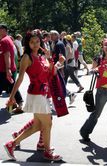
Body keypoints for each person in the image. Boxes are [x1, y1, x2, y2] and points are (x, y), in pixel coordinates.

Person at [3, 29, 62, 161]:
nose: (35, 44)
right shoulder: (27, 57)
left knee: (37, 125)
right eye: (32, 42)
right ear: (27, 43)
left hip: (44, 94)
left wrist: (50, 58)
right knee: (47, 124)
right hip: (36, 94)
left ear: (40, 42)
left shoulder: (41, 56)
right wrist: (12, 97)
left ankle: (11, 144)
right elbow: (20, 78)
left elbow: (51, 73)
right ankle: (47, 152)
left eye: (37, 41)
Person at [0, 24, 24, 113]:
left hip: (4, 70)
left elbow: (7, 55)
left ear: (3, 30)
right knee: (11, 87)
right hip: (7, 69)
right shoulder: (8, 39)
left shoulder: (4, 40)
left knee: (11, 86)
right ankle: (16, 103)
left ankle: (18, 104)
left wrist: (8, 69)